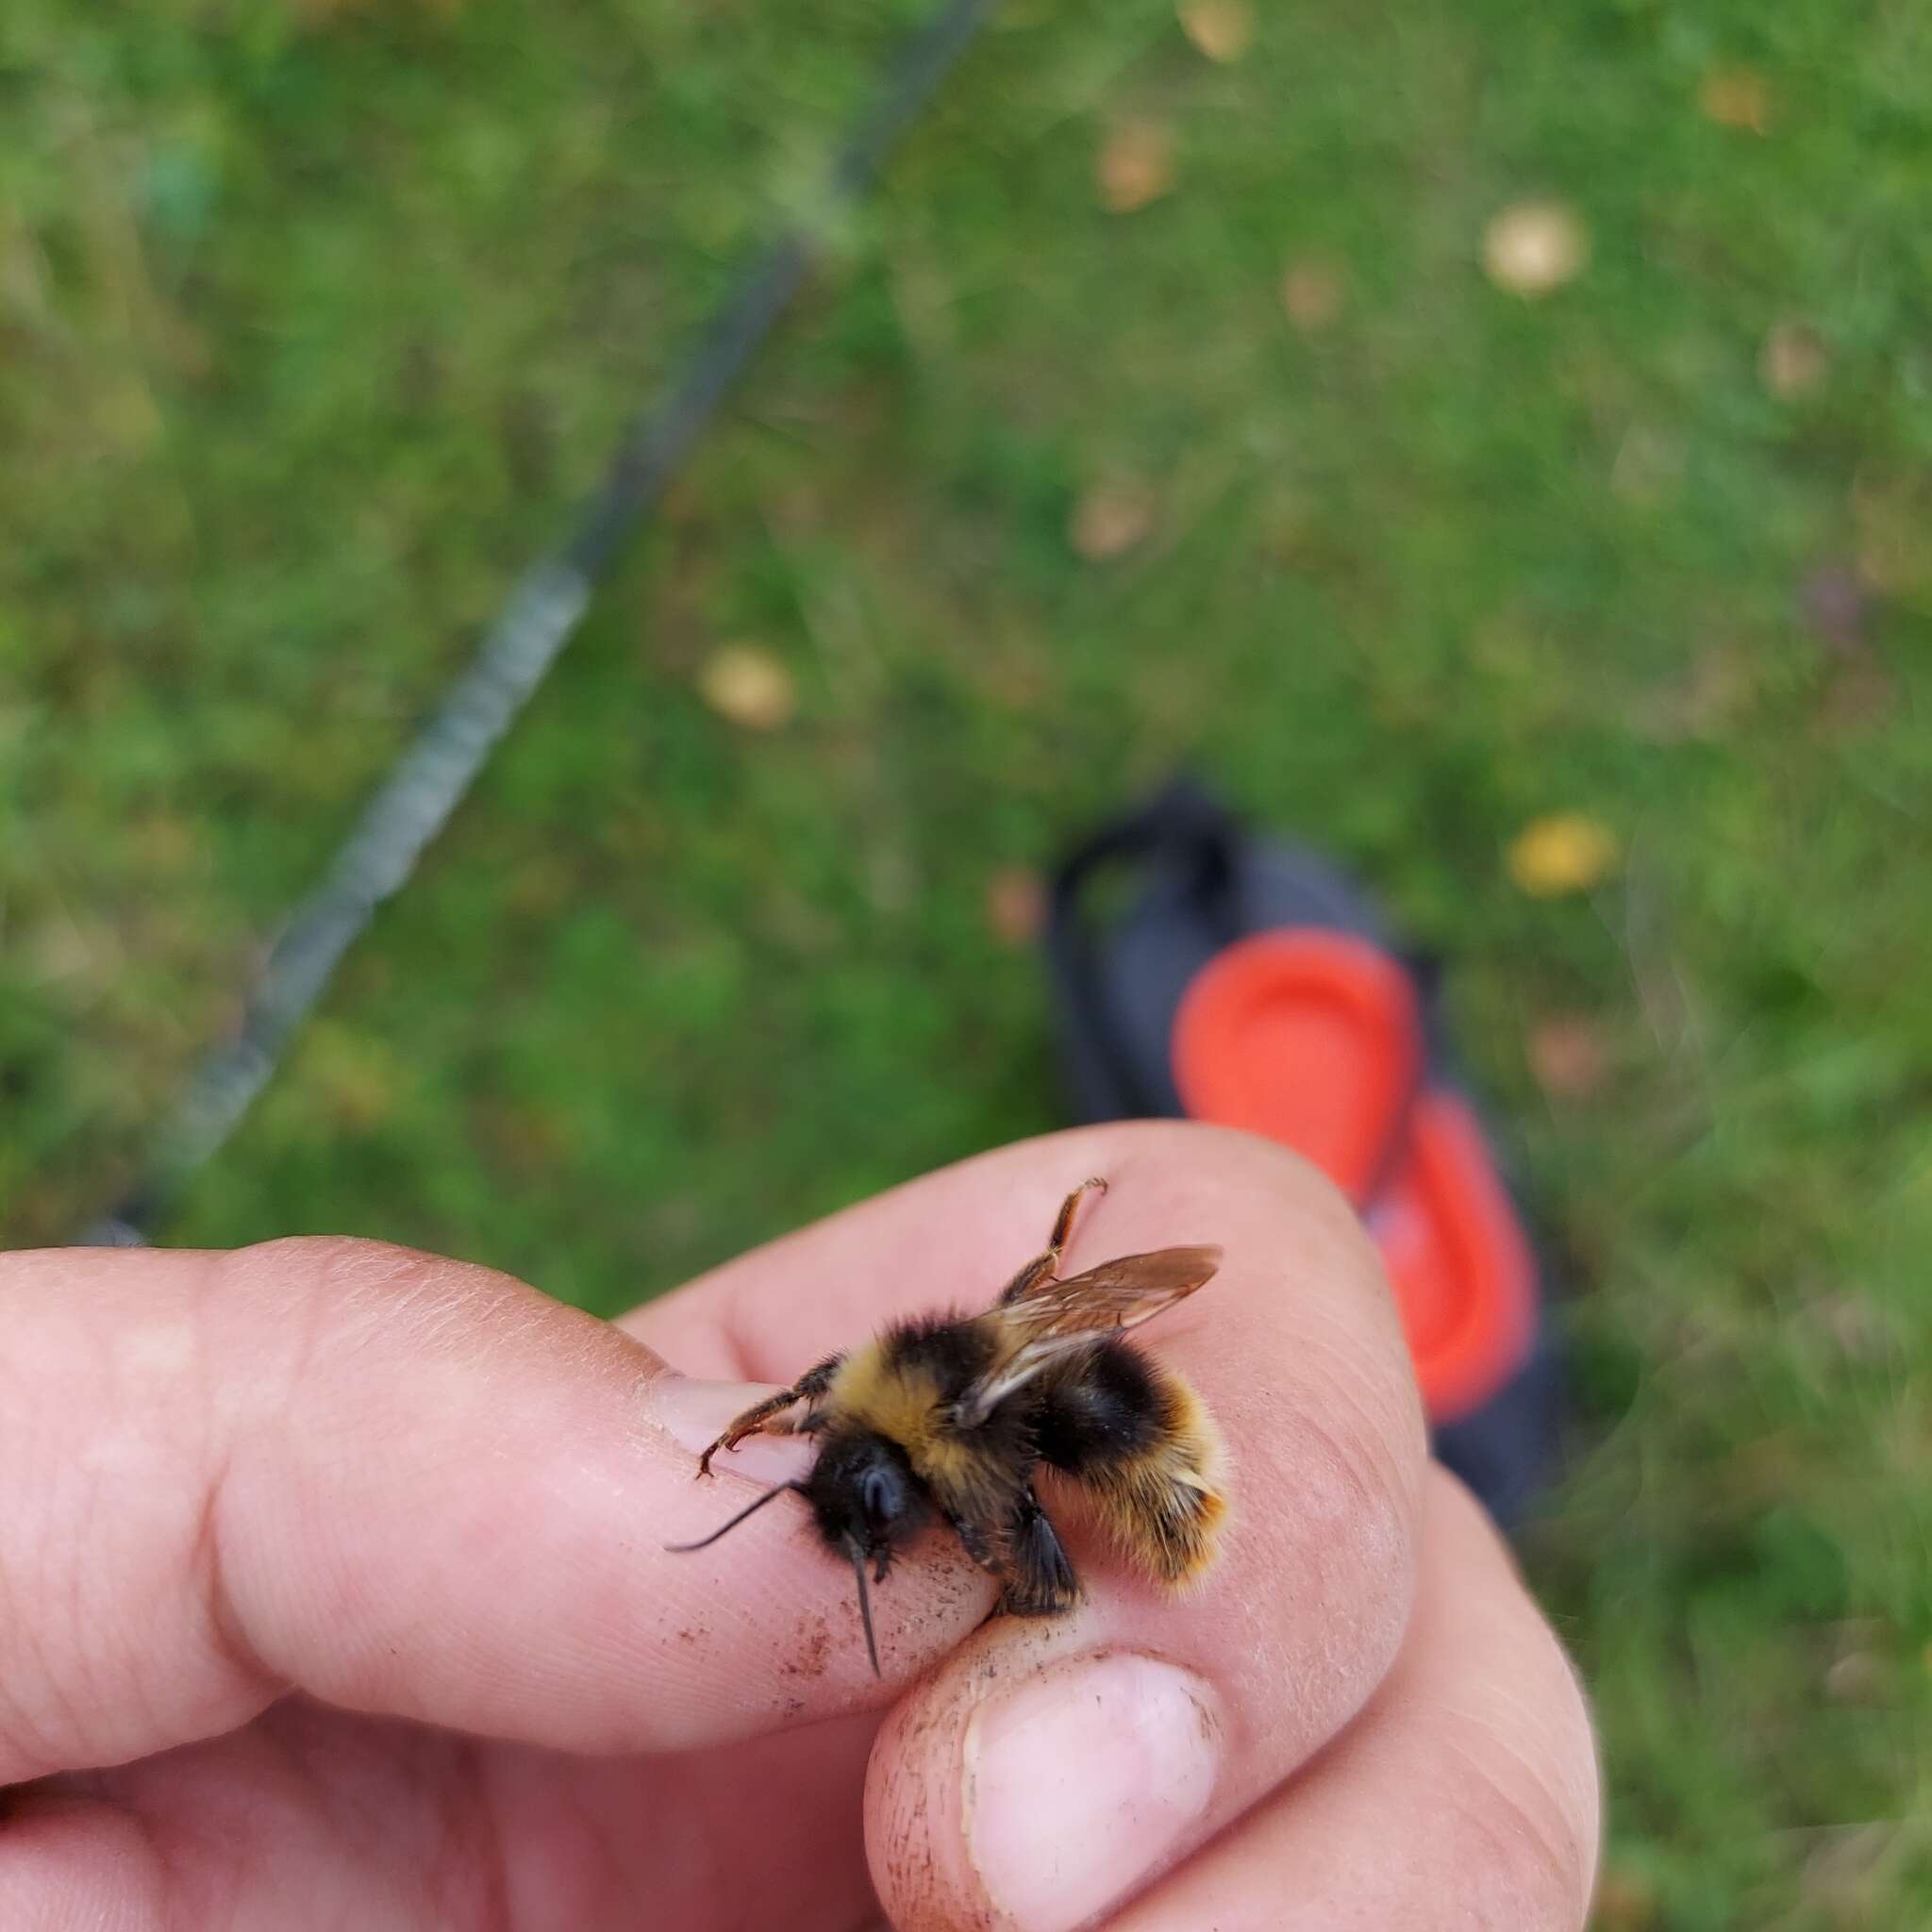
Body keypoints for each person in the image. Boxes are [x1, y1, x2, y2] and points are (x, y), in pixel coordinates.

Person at [0, 1123, 1598, 1929]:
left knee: (1053, 1575)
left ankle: (1087, 1656)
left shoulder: (947, 1431)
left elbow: (1029, 1397)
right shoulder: (881, 1410)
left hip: (1134, 1447)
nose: (871, 1525)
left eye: (876, 1503)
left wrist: (1037, 1591)